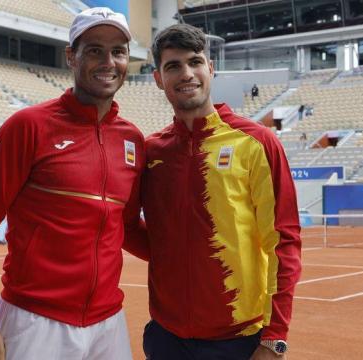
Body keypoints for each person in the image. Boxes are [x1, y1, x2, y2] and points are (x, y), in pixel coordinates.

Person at [0, 7, 145, 360]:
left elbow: (126, 227)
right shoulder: (28, 126)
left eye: (118, 51)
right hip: (35, 321)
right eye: (94, 50)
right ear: (70, 57)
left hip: (108, 323)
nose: (108, 61)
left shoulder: (133, 140)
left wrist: (193, 256)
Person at [125, 24, 302, 360]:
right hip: (166, 337)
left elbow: (284, 241)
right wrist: (173, 255)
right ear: (158, 78)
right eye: (173, 66)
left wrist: (275, 337)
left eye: (195, 62)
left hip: (239, 340)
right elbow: (129, 227)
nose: (187, 73)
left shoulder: (256, 142)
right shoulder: (152, 151)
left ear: (211, 68)